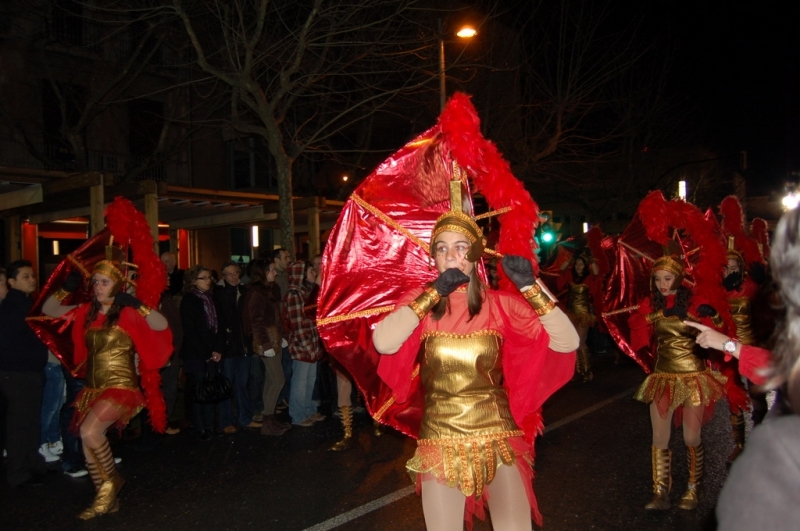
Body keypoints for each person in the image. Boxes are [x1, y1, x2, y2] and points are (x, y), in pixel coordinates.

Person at [372, 214, 579, 531]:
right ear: (434, 258)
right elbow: (384, 342)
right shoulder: (420, 304)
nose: (450, 255)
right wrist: (434, 293)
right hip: (440, 438)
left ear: (475, 255)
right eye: (441, 248)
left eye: (460, 247)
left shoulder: (499, 306)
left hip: (498, 435)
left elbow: (568, 342)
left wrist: (530, 286)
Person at [41, 256, 172, 519]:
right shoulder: (86, 311)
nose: (98, 286)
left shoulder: (127, 312)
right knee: (88, 442)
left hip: (121, 386)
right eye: (96, 282)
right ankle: (106, 499)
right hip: (93, 387)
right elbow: (49, 309)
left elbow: (161, 324)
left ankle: (112, 481)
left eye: (105, 282)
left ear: (116, 285)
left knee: (90, 430)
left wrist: (137, 304)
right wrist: (66, 287)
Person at [713, 206, 800, 530]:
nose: (730, 268)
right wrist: (719, 330)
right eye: (728, 265)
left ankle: (760, 423)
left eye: (735, 265)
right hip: (733, 347)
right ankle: (740, 443)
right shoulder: (720, 286)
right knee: (732, 396)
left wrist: (764, 288)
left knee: (757, 396)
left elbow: (770, 318)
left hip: (752, 346)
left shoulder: (751, 288)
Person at [627, 255, 728, 511]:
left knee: (691, 436)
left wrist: (712, 315)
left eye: (668, 278)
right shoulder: (652, 302)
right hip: (662, 376)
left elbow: (720, 333)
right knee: (659, 437)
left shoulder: (695, 301)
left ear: (679, 278)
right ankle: (661, 491)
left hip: (693, 376)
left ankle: (694, 488)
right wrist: (663, 312)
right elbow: (636, 325)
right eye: (658, 278)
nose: (662, 284)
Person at [0, 260, 49, 488]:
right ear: (12, 282)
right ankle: (17, 472)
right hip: (17, 373)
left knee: (30, 421)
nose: (31, 280)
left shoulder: (25, 304)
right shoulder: (13, 307)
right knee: (20, 423)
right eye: (25, 277)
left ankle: (31, 465)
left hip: (27, 371)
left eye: (32, 275)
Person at [242, 259, 290, 436]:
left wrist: (282, 336)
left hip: (274, 338)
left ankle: (269, 419)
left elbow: (276, 316)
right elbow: (256, 322)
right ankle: (268, 419)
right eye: (271, 270)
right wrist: (266, 343)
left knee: (272, 380)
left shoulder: (268, 290)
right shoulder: (257, 293)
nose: (274, 273)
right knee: (278, 380)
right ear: (263, 273)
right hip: (267, 340)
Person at [180, 265, 225, 440]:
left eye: (209, 277)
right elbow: (192, 329)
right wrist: (206, 351)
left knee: (211, 389)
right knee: (199, 390)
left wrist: (218, 348)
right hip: (196, 353)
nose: (208, 281)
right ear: (193, 281)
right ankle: (200, 427)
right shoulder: (190, 300)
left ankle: (210, 426)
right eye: (203, 278)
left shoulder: (212, 298)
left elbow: (220, 326)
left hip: (212, 351)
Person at [215, 260, 261, 432]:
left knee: (242, 384)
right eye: (229, 274)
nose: (233, 276)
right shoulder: (219, 293)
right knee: (227, 385)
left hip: (244, 346)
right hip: (228, 347)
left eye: (235, 273)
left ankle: (244, 418)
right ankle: (226, 421)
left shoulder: (245, 290)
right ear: (223, 276)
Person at [284, 261, 325, 427]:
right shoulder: (294, 295)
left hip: (311, 345)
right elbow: (297, 324)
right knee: (300, 382)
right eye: (309, 271)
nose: (313, 273)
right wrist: (309, 347)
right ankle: (298, 414)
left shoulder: (305, 292)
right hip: (303, 346)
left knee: (309, 380)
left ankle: (307, 410)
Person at [557, 250, 601, 382]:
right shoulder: (570, 277)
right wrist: (571, 259)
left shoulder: (588, 279)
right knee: (572, 342)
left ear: (586, 265)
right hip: (570, 314)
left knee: (580, 342)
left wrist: (591, 260)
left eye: (581, 264)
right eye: (577, 264)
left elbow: (597, 273)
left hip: (583, 315)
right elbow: (561, 270)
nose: (578, 266)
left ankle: (587, 371)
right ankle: (577, 370)